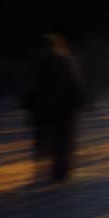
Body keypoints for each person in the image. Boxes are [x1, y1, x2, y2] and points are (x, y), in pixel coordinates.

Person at [28, 34, 84, 180]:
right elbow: (72, 82)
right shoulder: (63, 59)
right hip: (64, 106)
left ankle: (55, 168)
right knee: (63, 137)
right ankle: (62, 169)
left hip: (48, 107)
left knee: (53, 138)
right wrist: (77, 101)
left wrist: (32, 107)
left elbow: (33, 86)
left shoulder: (39, 62)